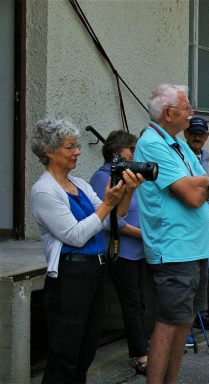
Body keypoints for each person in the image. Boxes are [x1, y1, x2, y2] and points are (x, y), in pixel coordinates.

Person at [30, 118, 142, 383]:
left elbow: (111, 219)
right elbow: (75, 235)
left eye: (77, 146)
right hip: (70, 275)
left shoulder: (79, 183)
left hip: (94, 270)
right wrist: (107, 203)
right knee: (65, 353)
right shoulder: (44, 191)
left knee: (86, 348)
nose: (77, 152)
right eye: (70, 147)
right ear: (49, 151)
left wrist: (126, 193)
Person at [134, 84, 209, 384]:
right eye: (186, 108)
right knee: (169, 324)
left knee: (184, 323)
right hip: (173, 248)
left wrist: (204, 184)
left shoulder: (178, 143)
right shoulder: (152, 143)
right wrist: (204, 184)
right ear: (169, 113)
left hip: (194, 248)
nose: (191, 113)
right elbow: (194, 196)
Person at [89, 130, 149, 375]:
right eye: (131, 150)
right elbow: (109, 218)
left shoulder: (130, 176)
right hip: (120, 251)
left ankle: (145, 345)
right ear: (116, 152)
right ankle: (141, 355)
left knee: (141, 301)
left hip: (138, 251)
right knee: (132, 304)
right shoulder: (101, 177)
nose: (135, 154)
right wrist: (139, 233)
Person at [183, 117, 209, 330]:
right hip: (192, 220)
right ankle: (202, 314)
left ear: (207, 136)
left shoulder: (205, 155)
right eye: (193, 133)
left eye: (201, 134)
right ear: (186, 134)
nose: (197, 137)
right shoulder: (182, 156)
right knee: (204, 268)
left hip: (208, 218)